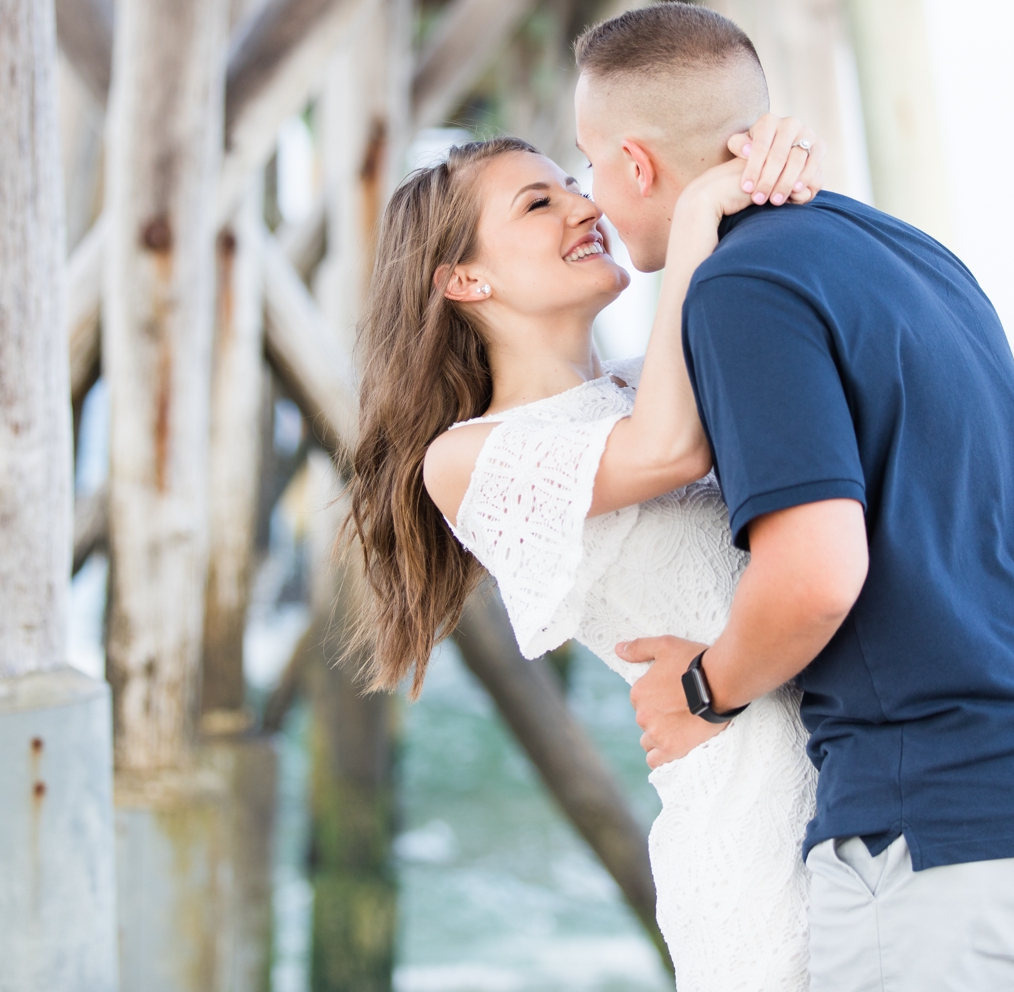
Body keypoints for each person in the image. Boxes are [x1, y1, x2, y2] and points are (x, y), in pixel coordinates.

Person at [582, 3, 1014, 991]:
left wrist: (704, 689)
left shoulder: (741, 288)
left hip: (953, 823)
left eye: (590, 160)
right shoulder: (910, 253)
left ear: (637, 166)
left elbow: (818, 571)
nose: (590, 192)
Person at [346, 93, 825, 987]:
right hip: (750, 840)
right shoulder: (469, 458)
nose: (587, 206)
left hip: (860, 800)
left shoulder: (654, 382)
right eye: (539, 203)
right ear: (465, 280)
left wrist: (778, 160)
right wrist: (691, 219)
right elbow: (670, 448)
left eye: (575, 184)